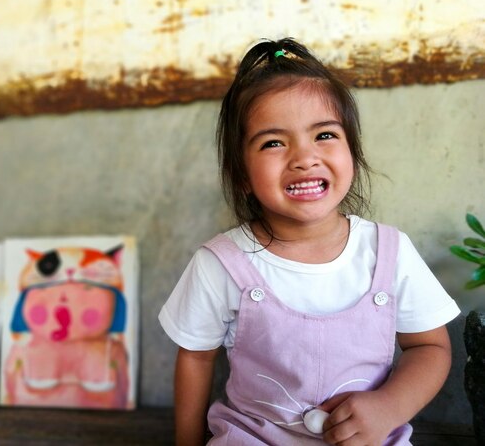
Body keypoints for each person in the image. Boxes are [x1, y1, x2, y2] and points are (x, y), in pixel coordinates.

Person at [158, 38, 460, 445]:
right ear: (242, 174)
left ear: (351, 150)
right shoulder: (222, 262)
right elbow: (196, 356)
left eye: (324, 135)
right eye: (273, 143)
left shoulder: (388, 252)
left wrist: (388, 407)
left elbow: (430, 347)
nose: (304, 157)